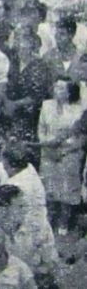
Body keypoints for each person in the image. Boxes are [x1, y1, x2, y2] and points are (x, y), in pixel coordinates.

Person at [37, 76, 85, 234]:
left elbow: (80, 137)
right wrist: (46, 144)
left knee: (66, 191)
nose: (58, 91)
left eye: (62, 88)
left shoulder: (79, 110)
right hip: (48, 152)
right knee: (49, 189)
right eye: (56, 87)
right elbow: (41, 129)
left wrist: (64, 151)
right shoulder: (46, 105)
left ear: (69, 91)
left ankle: (63, 224)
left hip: (69, 153)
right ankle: (49, 220)